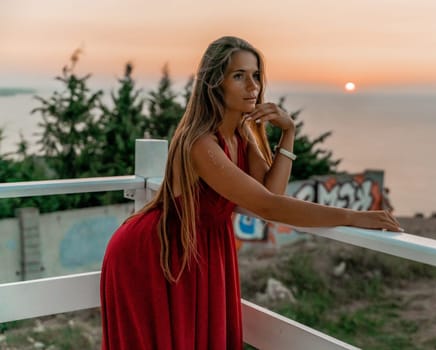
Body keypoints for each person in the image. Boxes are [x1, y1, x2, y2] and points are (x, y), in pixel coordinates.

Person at [100, 36, 402, 350]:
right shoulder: (202, 143)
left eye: (256, 75)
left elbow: (272, 192)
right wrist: (355, 216)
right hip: (154, 252)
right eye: (239, 76)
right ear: (215, 84)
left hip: (203, 251)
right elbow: (270, 206)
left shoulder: (243, 136)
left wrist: (288, 133)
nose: (252, 86)